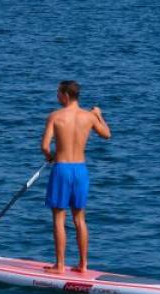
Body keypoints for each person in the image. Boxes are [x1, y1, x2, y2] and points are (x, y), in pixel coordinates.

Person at [39, 80, 111, 273]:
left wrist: (50, 157)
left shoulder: (55, 116)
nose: (57, 97)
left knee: (58, 218)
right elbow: (106, 135)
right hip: (80, 170)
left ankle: (60, 265)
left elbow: (45, 146)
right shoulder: (89, 117)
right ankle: (83, 265)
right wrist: (99, 115)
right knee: (79, 218)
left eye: (58, 93)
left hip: (61, 168)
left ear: (66, 95)